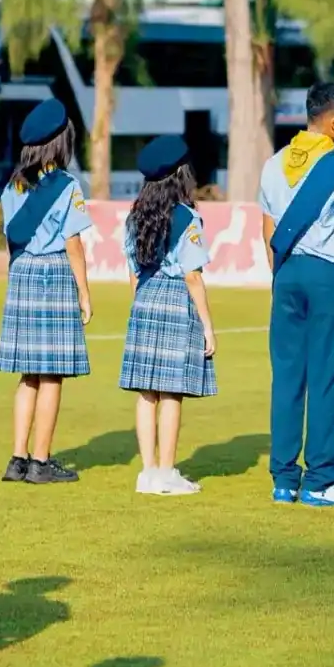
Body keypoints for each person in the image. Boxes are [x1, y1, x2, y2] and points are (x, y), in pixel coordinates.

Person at [258, 81, 334, 507]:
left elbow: (268, 232)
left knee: (287, 378)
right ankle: (321, 480)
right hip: (328, 279)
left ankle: (284, 480)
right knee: (326, 378)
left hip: (286, 275)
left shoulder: (273, 164)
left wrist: (282, 276)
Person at [0, 99, 94, 485]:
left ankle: (17, 459)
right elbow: (73, 244)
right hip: (53, 274)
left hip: (21, 273)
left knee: (28, 374)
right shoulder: (67, 186)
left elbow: (11, 239)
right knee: (52, 374)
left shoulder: (13, 185)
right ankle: (40, 461)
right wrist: (84, 292)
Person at [120, 135, 217, 497]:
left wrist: (139, 304)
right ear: (180, 175)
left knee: (146, 391)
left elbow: (132, 270)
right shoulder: (187, 217)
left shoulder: (134, 217)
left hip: (144, 298)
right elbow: (193, 276)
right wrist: (208, 326)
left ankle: (147, 472)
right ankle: (166, 471)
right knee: (171, 392)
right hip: (176, 300)